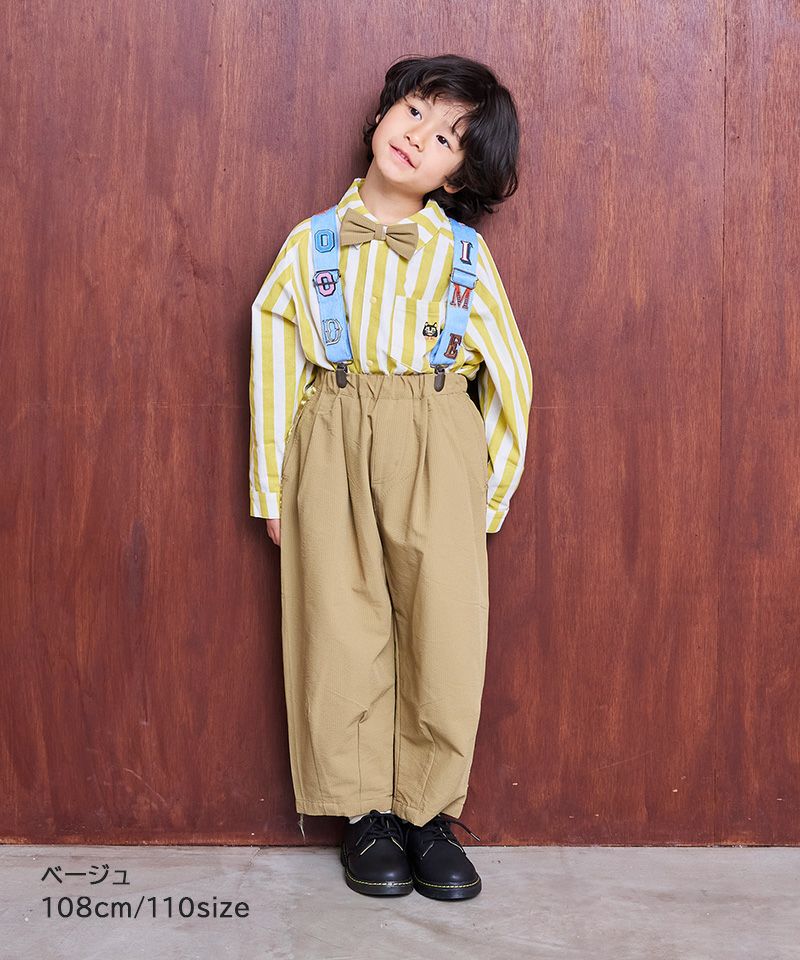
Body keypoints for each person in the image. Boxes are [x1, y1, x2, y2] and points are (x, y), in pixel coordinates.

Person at [249, 53, 533, 900]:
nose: (419, 136)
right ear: (382, 114)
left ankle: (426, 813)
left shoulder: (465, 257)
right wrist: (272, 487)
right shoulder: (310, 244)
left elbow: (510, 374)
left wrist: (489, 492)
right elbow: (274, 361)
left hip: (438, 436)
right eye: (415, 110)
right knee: (340, 622)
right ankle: (364, 812)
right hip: (331, 433)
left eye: (447, 137)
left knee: (445, 627)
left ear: (459, 176)